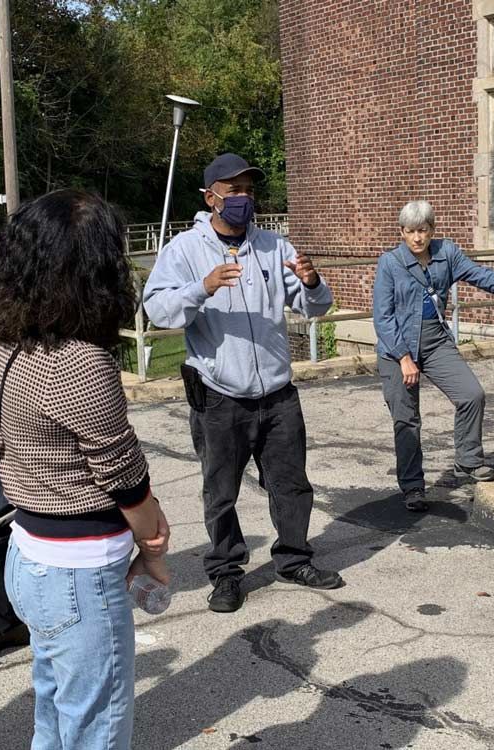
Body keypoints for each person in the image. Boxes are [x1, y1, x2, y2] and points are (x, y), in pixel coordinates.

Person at [0, 189, 171, 748]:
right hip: (77, 571)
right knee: (98, 724)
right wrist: (156, 547)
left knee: (56, 710)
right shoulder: (80, 361)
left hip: (30, 556)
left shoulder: (6, 341)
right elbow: (125, 477)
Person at [143, 152, 343, 614]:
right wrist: (202, 288)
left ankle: (294, 559)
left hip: (277, 394)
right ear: (210, 197)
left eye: (249, 190)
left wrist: (313, 285)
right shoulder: (185, 250)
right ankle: (226, 573)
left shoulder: (276, 246)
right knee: (221, 491)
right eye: (233, 191)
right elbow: (158, 310)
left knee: (292, 484)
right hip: (219, 395)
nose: (243, 198)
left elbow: (314, 309)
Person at [373, 200, 494, 511]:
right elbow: (383, 317)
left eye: (422, 231)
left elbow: (479, 275)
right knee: (407, 420)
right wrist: (403, 357)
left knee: (471, 394)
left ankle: (467, 460)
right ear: (402, 232)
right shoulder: (390, 263)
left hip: (435, 340)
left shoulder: (446, 253)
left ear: (432, 230)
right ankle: (412, 486)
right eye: (410, 232)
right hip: (398, 347)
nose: (416, 238)